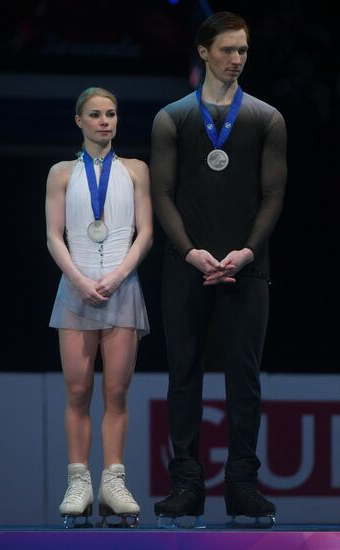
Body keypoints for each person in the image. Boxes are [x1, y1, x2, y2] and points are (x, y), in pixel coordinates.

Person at [150, 11, 287, 524]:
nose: (236, 60)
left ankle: (242, 485)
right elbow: (161, 194)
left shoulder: (266, 118)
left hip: (247, 268)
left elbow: (273, 195)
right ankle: (186, 484)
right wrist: (189, 251)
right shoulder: (172, 118)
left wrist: (247, 251)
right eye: (227, 50)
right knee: (183, 376)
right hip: (185, 266)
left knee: (244, 379)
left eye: (243, 52)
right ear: (203, 51)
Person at [45, 86, 152, 526]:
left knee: (117, 392)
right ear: (79, 121)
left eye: (111, 114)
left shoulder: (136, 170)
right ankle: (78, 481)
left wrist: (117, 275)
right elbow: (54, 235)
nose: (105, 121)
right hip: (76, 287)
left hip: (121, 288)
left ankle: (113, 478)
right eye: (95, 115)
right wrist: (80, 279)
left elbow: (145, 232)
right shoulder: (62, 173)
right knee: (77, 391)